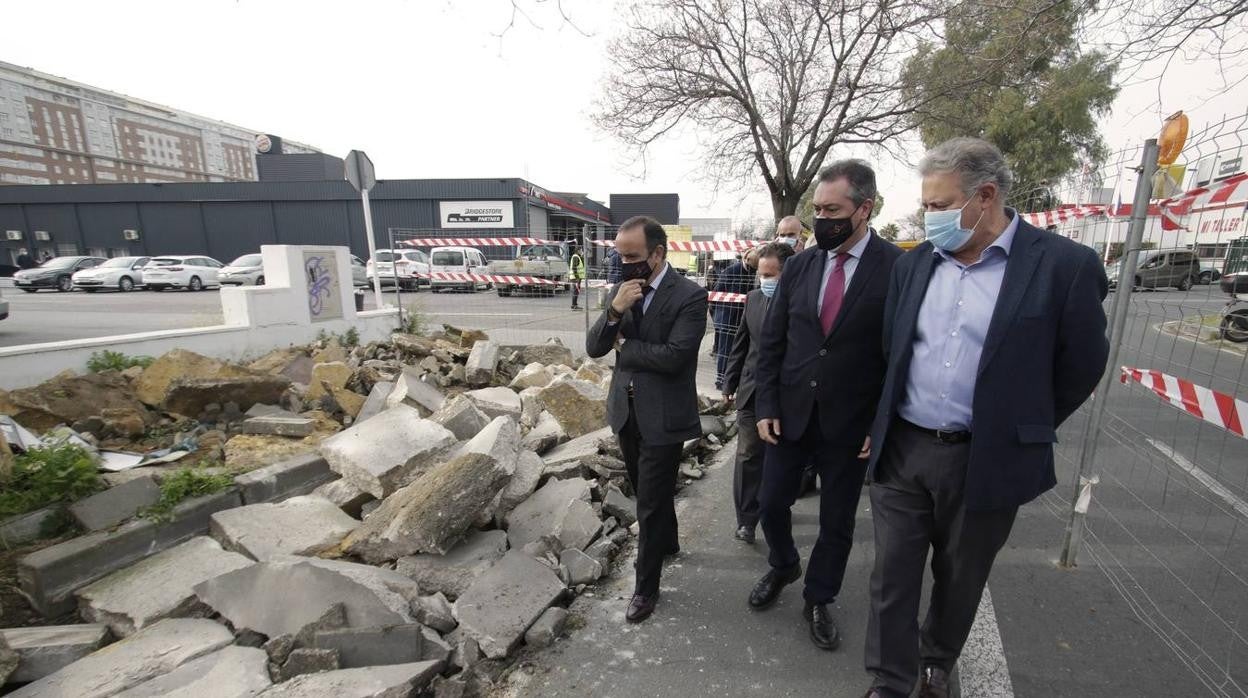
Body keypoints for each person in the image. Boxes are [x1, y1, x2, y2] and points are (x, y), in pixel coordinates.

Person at [860, 138, 1109, 698]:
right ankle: (891, 679)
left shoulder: (1064, 267)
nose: (930, 217)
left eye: (939, 204)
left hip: (987, 456)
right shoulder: (914, 266)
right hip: (905, 449)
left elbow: (1082, 365)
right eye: (926, 205)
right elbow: (892, 349)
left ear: (986, 196)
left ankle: (934, 663)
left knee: (961, 574)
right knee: (892, 573)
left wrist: (1021, 423)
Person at [752, 159, 903, 652]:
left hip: (850, 422)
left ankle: (819, 597)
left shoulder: (897, 269)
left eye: (832, 209)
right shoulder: (800, 266)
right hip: (790, 414)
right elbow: (773, 342)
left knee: (837, 521)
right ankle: (783, 564)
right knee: (771, 501)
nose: (822, 219)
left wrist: (880, 424)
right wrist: (766, 404)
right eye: (816, 209)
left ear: (865, 208)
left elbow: (899, 356)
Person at [586, 215, 708, 623]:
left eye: (633, 255)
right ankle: (667, 541)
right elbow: (594, 348)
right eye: (620, 255)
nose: (625, 263)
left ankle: (645, 589)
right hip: (626, 412)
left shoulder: (689, 295)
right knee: (646, 492)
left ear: (657, 253)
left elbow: (676, 356)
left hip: (665, 417)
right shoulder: (621, 291)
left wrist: (628, 345)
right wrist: (615, 313)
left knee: (651, 505)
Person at [722, 241, 795, 544]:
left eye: (771, 275)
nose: (764, 280)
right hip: (752, 390)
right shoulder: (752, 299)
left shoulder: (801, 303)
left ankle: (778, 509)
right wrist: (729, 380)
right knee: (748, 455)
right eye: (761, 274)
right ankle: (746, 520)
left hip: (787, 395)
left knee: (780, 459)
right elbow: (741, 343)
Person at [710, 249, 757, 390]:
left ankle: (732, 380)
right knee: (725, 350)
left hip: (742, 318)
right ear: (748, 261)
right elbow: (716, 293)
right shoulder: (731, 271)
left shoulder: (754, 272)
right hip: (727, 318)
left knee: (738, 350)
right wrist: (716, 317)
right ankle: (721, 380)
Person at [569, 243, 586, 310]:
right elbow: (574, 268)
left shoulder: (577, 256)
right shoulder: (575, 257)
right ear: (578, 250)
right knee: (575, 291)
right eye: (581, 249)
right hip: (576, 278)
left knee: (576, 291)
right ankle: (574, 305)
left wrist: (582, 256)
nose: (582, 251)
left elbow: (581, 264)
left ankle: (574, 305)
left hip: (577, 278)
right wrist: (577, 278)